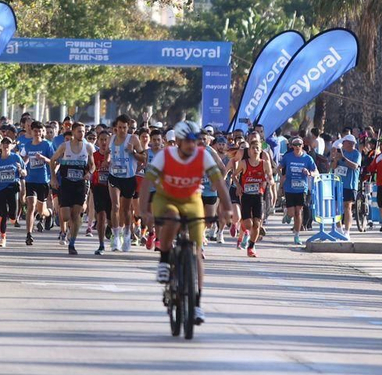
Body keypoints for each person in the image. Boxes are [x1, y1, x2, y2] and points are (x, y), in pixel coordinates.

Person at [140, 128, 233, 323]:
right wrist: (144, 211)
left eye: (195, 140)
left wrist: (227, 208)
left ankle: (196, 303)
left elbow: (219, 182)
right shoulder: (165, 155)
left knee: (196, 250)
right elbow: (147, 182)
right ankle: (164, 260)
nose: (192, 144)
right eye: (188, 141)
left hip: (191, 200)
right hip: (166, 199)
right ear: (179, 142)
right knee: (172, 218)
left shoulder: (202, 155)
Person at [52, 121, 93, 255]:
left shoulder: (88, 147)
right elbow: (52, 160)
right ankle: (68, 228)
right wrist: (53, 178)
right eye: (79, 131)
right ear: (73, 132)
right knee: (65, 217)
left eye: (83, 131)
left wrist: (89, 172)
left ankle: (72, 243)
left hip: (80, 184)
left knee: (76, 215)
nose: (82, 133)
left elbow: (92, 165)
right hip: (66, 183)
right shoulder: (65, 146)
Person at [107, 114, 145, 252]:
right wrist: (107, 160)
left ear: (128, 127)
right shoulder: (111, 139)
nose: (122, 130)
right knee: (115, 206)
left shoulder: (133, 139)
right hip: (114, 176)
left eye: (124, 127)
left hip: (128, 177)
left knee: (126, 209)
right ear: (115, 128)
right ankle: (116, 237)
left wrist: (133, 152)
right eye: (119, 127)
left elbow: (143, 158)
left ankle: (127, 235)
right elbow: (107, 153)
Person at [234, 140, 272, 257]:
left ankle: (251, 246)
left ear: (260, 151)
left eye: (257, 148)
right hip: (246, 196)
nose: (255, 150)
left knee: (256, 223)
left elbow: (270, 176)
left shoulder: (264, 163)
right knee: (249, 224)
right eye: (253, 148)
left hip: (258, 196)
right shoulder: (244, 163)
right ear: (249, 151)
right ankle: (242, 226)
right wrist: (239, 186)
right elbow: (234, 175)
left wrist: (266, 183)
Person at [19, 121, 56, 243]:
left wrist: (43, 158)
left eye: (40, 131)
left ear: (42, 132)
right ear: (32, 131)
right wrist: (21, 167)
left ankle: (49, 213)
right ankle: (29, 234)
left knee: (41, 211)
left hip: (42, 181)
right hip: (30, 180)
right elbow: (23, 159)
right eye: (35, 131)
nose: (37, 133)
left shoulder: (47, 145)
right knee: (30, 206)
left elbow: (53, 161)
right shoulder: (28, 145)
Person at [0, 137, 26, 248]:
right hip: (0, 188)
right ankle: (3, 238)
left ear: (11, 145)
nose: (5, 145)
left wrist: (21, 171)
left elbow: (25, 172)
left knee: (13, 213)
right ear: (0, 146)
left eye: (8, 143)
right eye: (3, 143)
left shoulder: (16, 157)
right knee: (3, 213)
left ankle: (13, 218)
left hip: (12, 187)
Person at [279, 136, 318, 245]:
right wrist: (281, 176)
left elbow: (315, 172)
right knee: (292, 212)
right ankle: (288, 215)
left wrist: (309, 173)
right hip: (289, 187)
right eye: (295, 145)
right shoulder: (287, 157)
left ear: (302, 146)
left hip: (302, 188)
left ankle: (297, 235)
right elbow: (279, 168)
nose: (297, 147)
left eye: (299, 145)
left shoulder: (307, 158)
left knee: (298, 212)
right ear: (292, 146)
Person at [334, 131, 362, 239]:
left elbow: (355, 166)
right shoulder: (341, 152)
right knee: (336, 207)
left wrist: (343, 159)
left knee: (347, 207)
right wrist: (335, 159)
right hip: (338, 184)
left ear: (350, 143)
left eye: (344, 142)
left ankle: (347, 230)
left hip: (350, 185)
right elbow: (333, 166)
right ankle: (338, 228)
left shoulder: (356, 154)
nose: (343, 144)